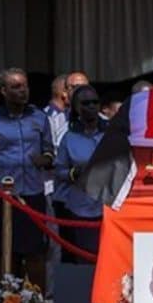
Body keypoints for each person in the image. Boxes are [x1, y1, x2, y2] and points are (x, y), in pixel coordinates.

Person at [0, 68, 54, 290]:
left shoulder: (40, 117)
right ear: (3, 91)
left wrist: (44, 159)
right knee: (4, 250)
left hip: (32, 192)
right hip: (1, 195)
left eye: (25, 86)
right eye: (16, 87)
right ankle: (4, 298)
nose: (23, 91)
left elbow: (50, 152)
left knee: (34, 251)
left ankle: (37, 301)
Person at [53, 85, 106, 262]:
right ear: (76, 108)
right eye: (85, 103)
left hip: (107, 206)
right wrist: (75, 173)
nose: (91, 106)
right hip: (80, 208)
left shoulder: (111, 133)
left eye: (95, 102)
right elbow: (59, 170)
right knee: (83, 260)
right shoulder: (69, 138)